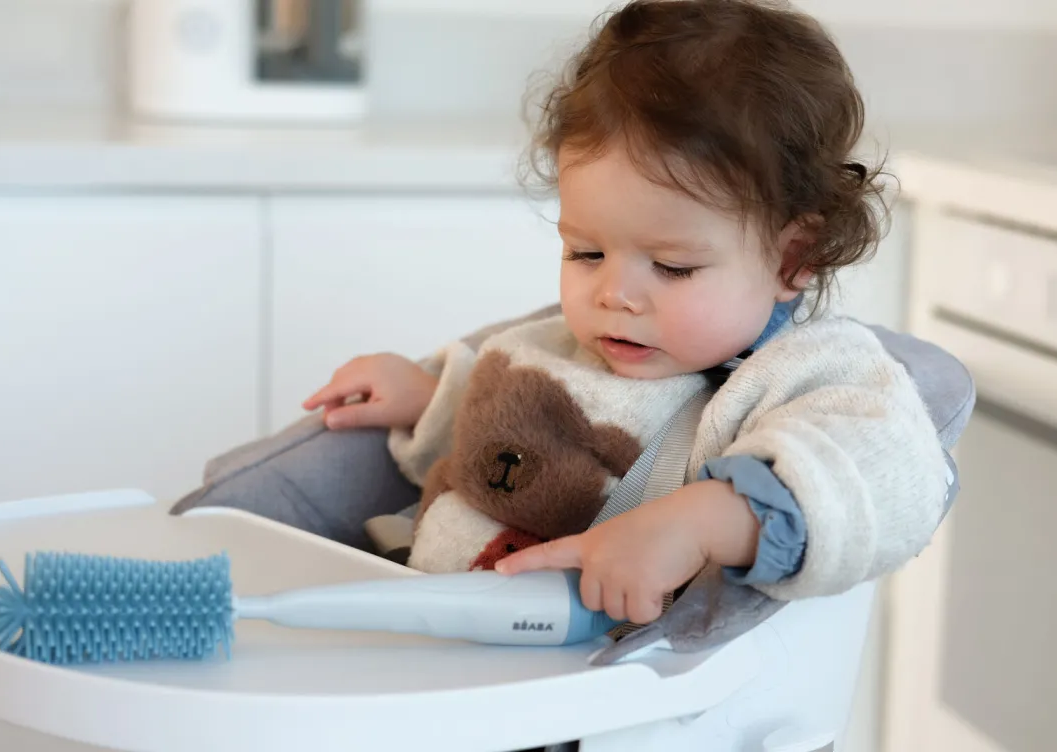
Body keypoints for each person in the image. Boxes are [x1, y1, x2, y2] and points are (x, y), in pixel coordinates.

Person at [298, 0, 951, 627]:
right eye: (586, 252)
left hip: (580, 677)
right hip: (423, 614)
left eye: (672, 266)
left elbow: (891, 473)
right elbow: (518, 445)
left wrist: (704, 521)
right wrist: (430, 399)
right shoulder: (564, 343)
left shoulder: (802, 376)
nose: (614, 294)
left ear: (792, 257)